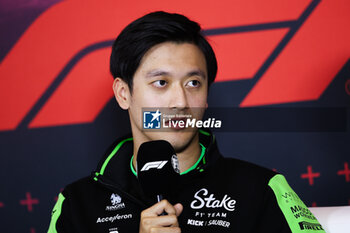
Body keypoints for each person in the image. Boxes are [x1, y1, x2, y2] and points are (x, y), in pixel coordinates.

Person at [48, 11, 324, 233]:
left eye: (193, 83)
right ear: (124, 94)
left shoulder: (261, 189)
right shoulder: (77, 204)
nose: (180, 102)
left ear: (206, 96)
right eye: (161, 83)